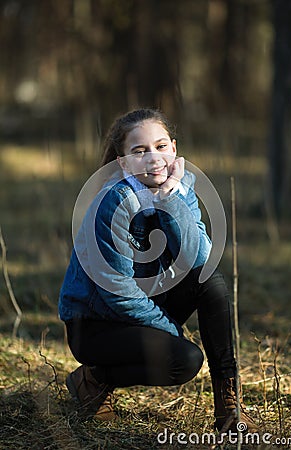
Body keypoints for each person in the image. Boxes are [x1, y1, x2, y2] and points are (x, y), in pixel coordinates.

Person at [59, 108, 257, 433]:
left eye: (161, 146)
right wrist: (168, 328)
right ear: (122, 163)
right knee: (185, 360)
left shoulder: (179, 187)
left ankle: (229, 404)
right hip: (95, 326)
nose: (154, 158)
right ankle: (92, 379)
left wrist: (171, 197)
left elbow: (200, 259)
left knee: (211, 283)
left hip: (142, 310)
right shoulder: (112, 202)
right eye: (139, 151)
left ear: (175, 149)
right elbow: (117, 291)